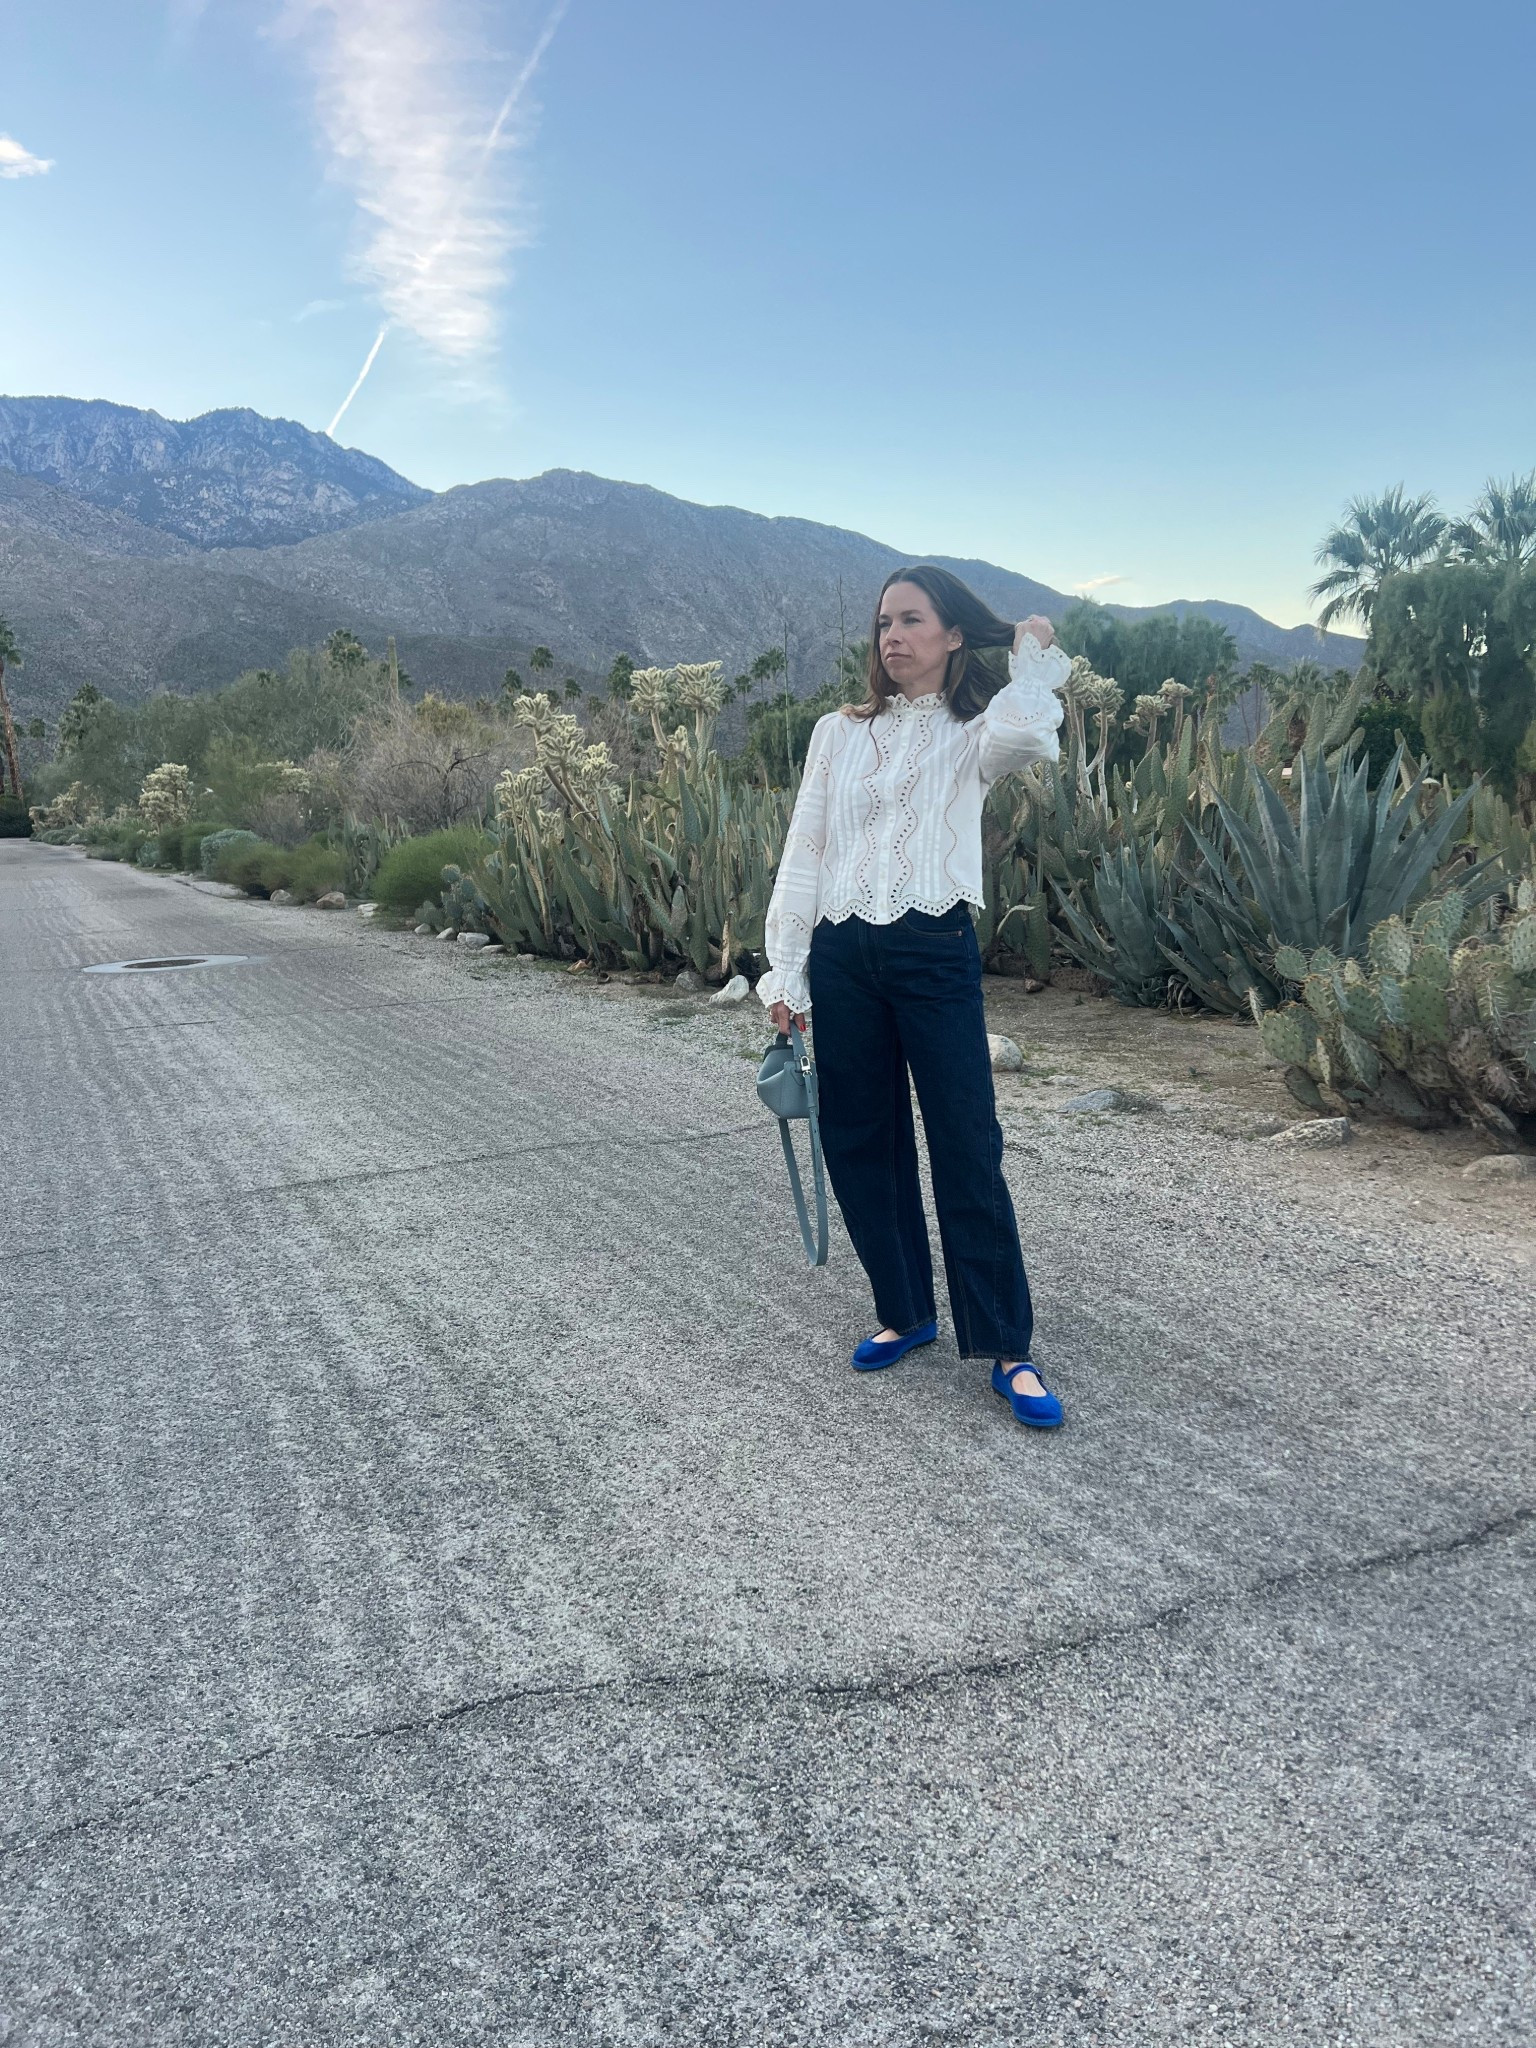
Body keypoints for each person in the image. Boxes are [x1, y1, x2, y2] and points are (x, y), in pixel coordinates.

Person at [757, 564, 1071, 1429]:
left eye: (912, 620)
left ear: (953, 633)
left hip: (933, 946)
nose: (892, 636)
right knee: (860, 1137)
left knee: (967, 1140)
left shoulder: (974, 735)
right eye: (883, 623)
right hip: (841, 952)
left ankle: (1009, 1346)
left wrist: (1032, 643)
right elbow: (804, 850)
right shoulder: (837, 732)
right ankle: (907, 1309)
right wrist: (786, 973)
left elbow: (1028, 731)